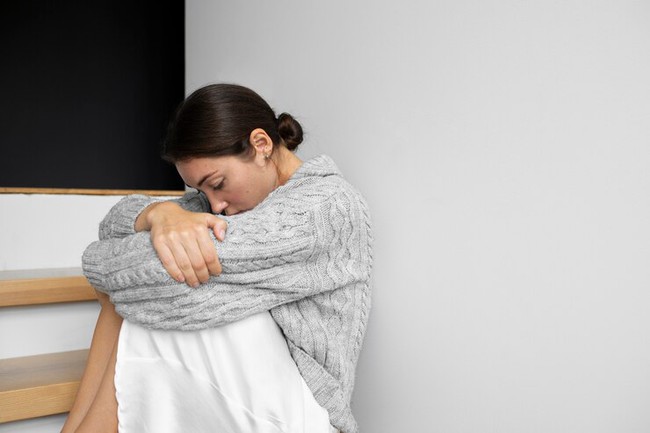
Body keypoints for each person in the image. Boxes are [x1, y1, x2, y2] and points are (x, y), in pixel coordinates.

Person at [61, 83, 373, 433]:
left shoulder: (325, 206)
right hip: (252, 393)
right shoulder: (228, 205)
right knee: (149, 299)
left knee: (162, 301)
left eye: (217, 183)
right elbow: (113, 225)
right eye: (201, 191)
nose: (215, 205)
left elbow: (151, 272)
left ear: (261, 145)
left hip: (302, 411)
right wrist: (159, 215)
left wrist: (113, 262)